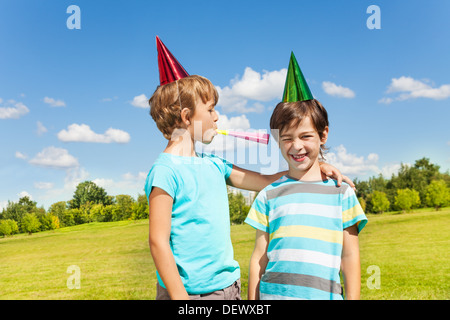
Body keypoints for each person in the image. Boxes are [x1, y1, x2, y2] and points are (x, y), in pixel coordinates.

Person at [145, 38, 353, 300]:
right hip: (189, 294)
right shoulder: (165, 171)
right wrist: (181, 299)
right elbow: (158, 242)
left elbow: (266, 180)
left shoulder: (214, 165)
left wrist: (317, 166)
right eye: (210, 110)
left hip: (228, 288)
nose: (217, 117)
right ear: (187, 117)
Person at [245, 52, 367, 300]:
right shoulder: (269, 194)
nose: (296, 146)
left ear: (323, 136)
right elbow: (259, 256)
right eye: (287, 138)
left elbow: (350, 256)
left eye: (306, 136)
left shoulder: (341, 193)